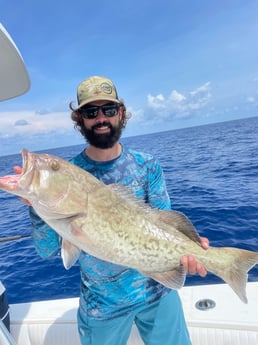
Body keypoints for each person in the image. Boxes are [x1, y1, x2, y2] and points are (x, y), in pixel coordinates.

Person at [17, 76, 209, 345]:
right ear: (80, 119)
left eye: (108, 109)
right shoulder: (71, 173)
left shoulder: (147, 166)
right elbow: (48, 250)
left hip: (159, 293)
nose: (100, 118)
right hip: (102, 307)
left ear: (120, 113)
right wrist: (36, 204)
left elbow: (165, 224)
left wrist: (189, 249)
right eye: (90, 111)